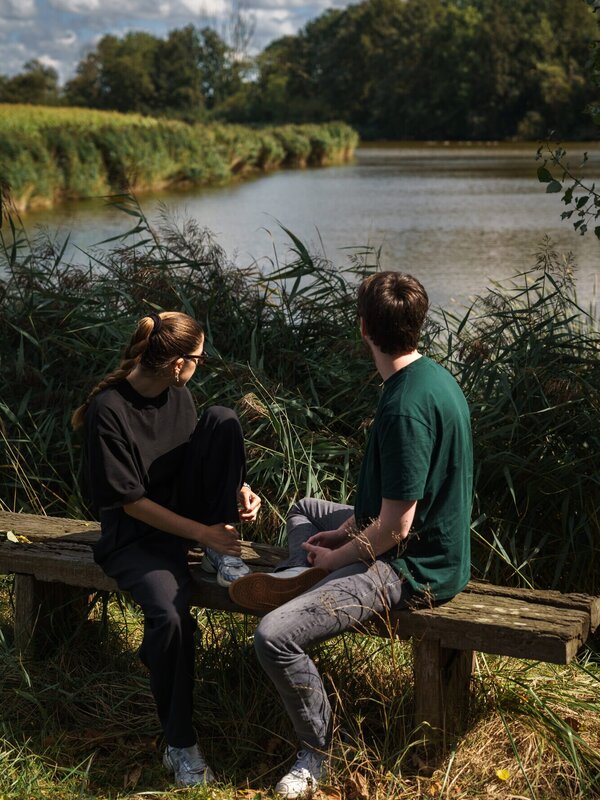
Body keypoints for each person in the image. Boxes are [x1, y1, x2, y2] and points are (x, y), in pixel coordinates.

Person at [229, 272, 473, 799]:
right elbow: (391, 506)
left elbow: (397, 528)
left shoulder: (406, 409)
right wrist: (342, 530)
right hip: (403, 535)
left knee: (274, 637)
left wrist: (337, 556)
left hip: (412, 567)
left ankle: (317, 753)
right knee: (304, 507)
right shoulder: (431, 376)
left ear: (363, 328)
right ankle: (303, 576)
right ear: (417, 323)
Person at [72, 310, 261, 788]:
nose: (200, 365)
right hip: (134, 539)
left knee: (224, 419)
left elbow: (192, 463)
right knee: (171, 619)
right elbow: (131, 503)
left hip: (186, 526)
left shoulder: (181, 396)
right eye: (198, 358)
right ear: (177, 363)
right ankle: (180, 745)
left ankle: (224, 558)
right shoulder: (108, 410)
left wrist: (236, 493)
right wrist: (202, 533)